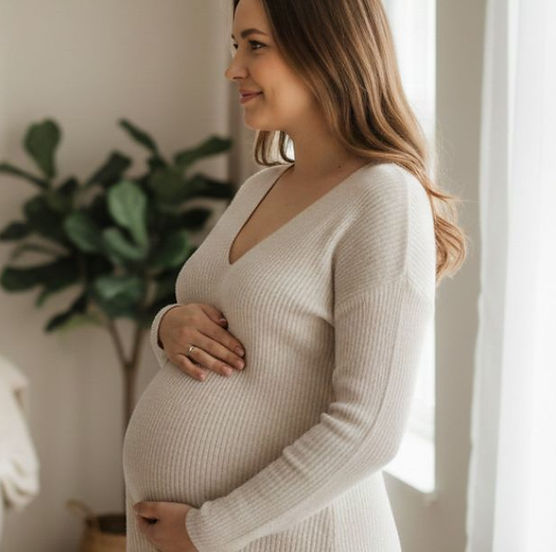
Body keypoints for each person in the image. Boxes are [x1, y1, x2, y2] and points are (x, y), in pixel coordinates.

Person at [121, 0, 467, 550]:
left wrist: (208, 530)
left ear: (328, 50)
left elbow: (369, 428)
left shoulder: (382, 196)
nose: (235, 68)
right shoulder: (260, 188)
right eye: (236, 46)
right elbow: (243, 333)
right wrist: (168, 326)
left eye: (255, 45)